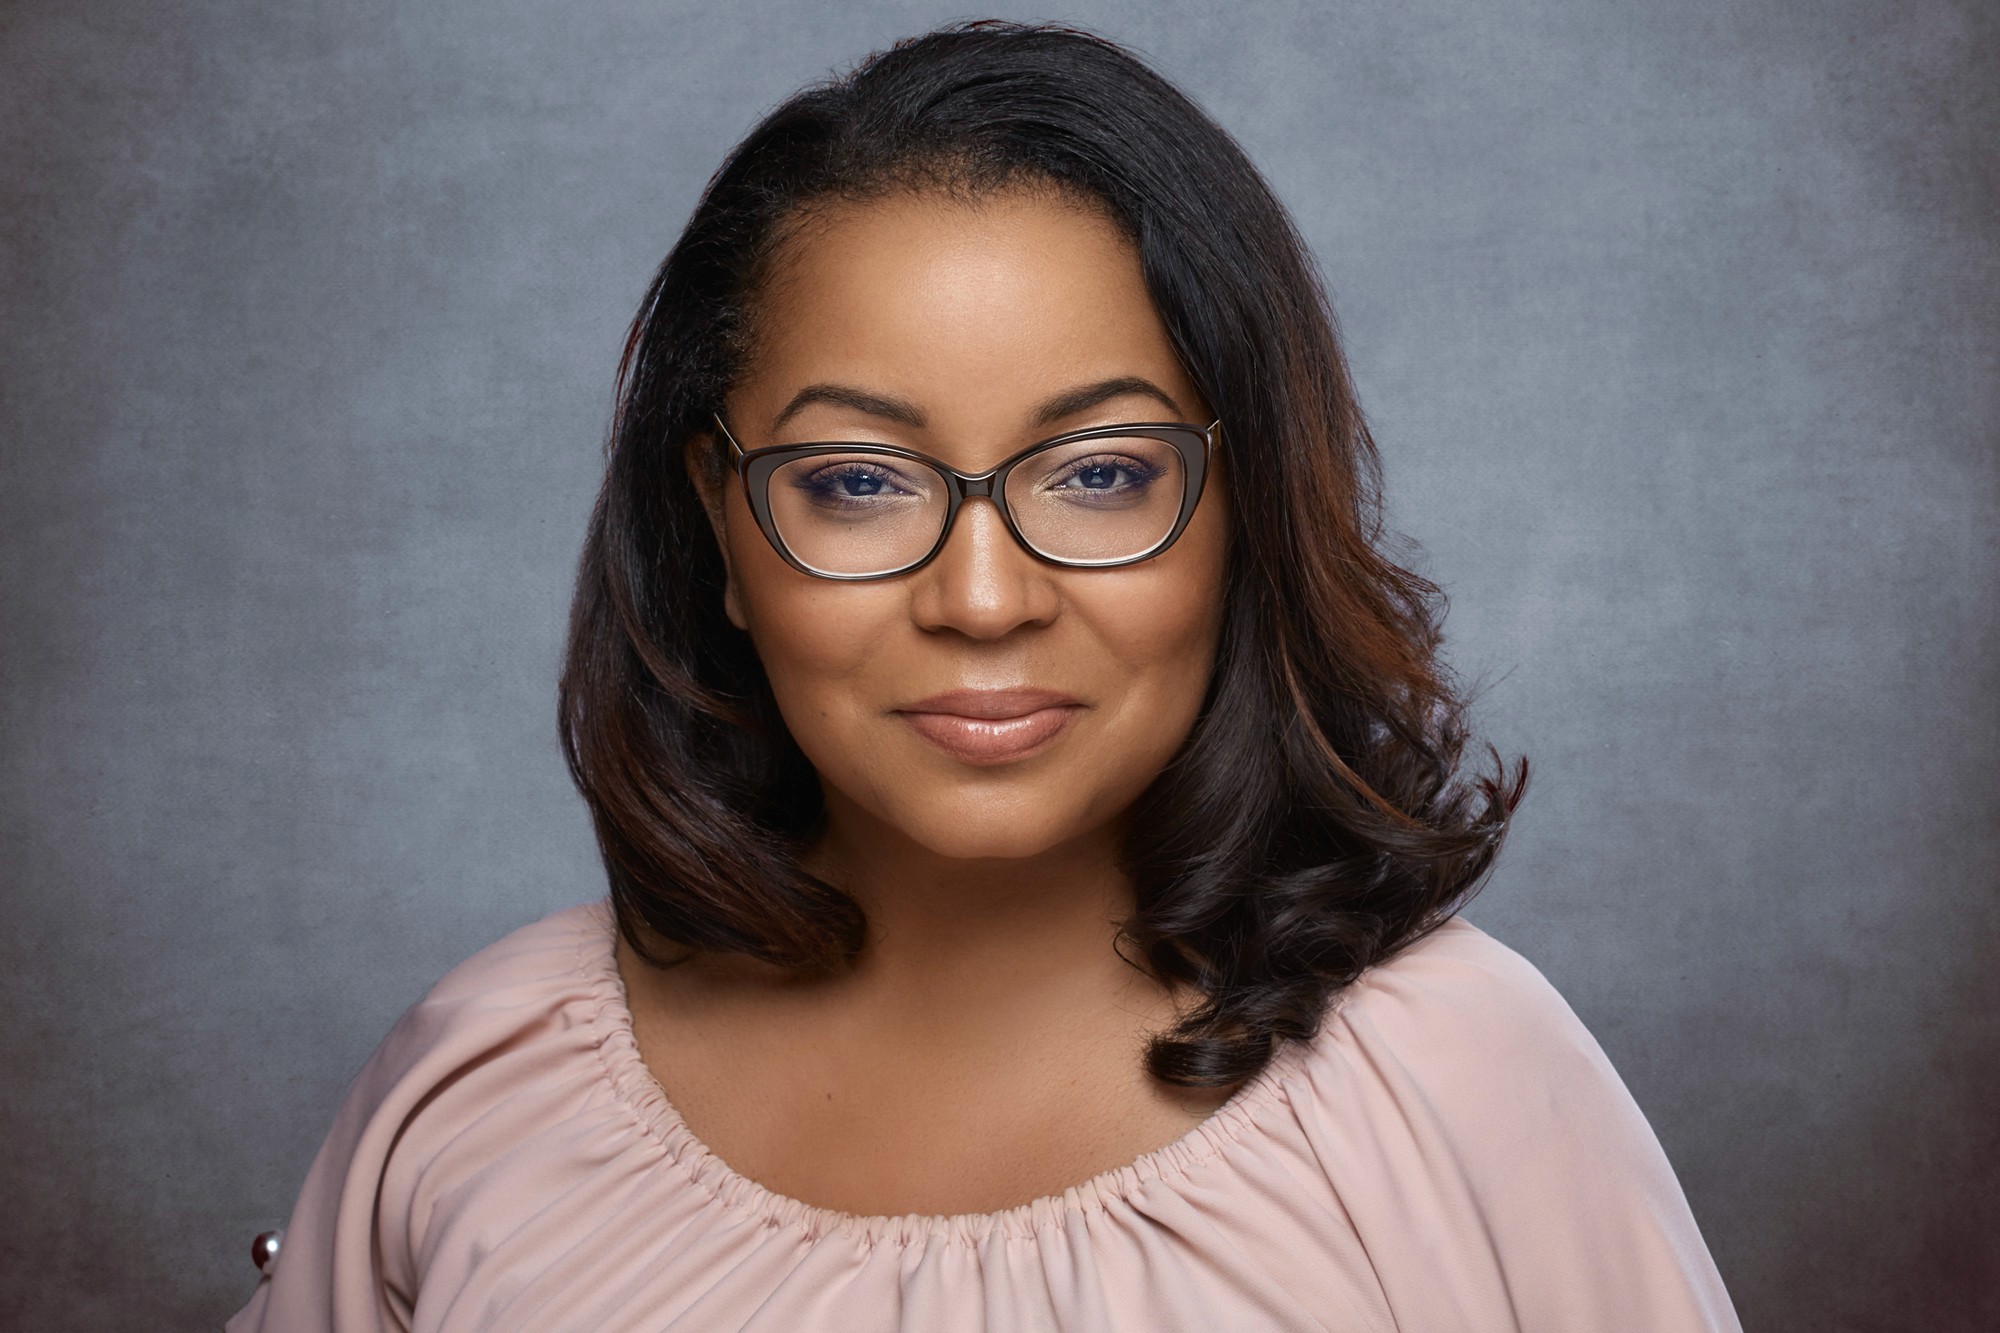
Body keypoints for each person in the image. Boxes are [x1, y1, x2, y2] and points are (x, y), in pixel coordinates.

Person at [228, 20, 1741, 1332]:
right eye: (858, 482)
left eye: (1097, 471)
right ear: (719, 522)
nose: (983, 598)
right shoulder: (482, 1082)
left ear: (1245, 509)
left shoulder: (1460, 1084)